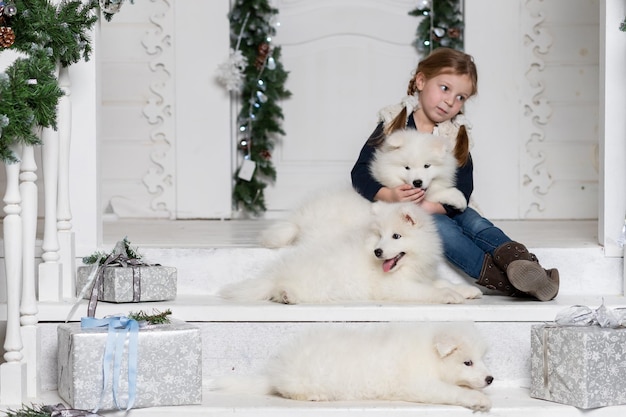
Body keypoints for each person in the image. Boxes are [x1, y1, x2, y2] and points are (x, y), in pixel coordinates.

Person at [351, 47, 559, 301]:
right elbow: (359, 172)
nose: (451, 101)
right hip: (405, 212)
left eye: (461, 97)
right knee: (446, 233)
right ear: (421, 81)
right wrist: (390, 195)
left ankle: (523, 264)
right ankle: (507, 282)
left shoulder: (455, 132)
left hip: (445, 203)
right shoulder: (394, 122)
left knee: (477, 223)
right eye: (445, 88)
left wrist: (434, 205)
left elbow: (464, 187)